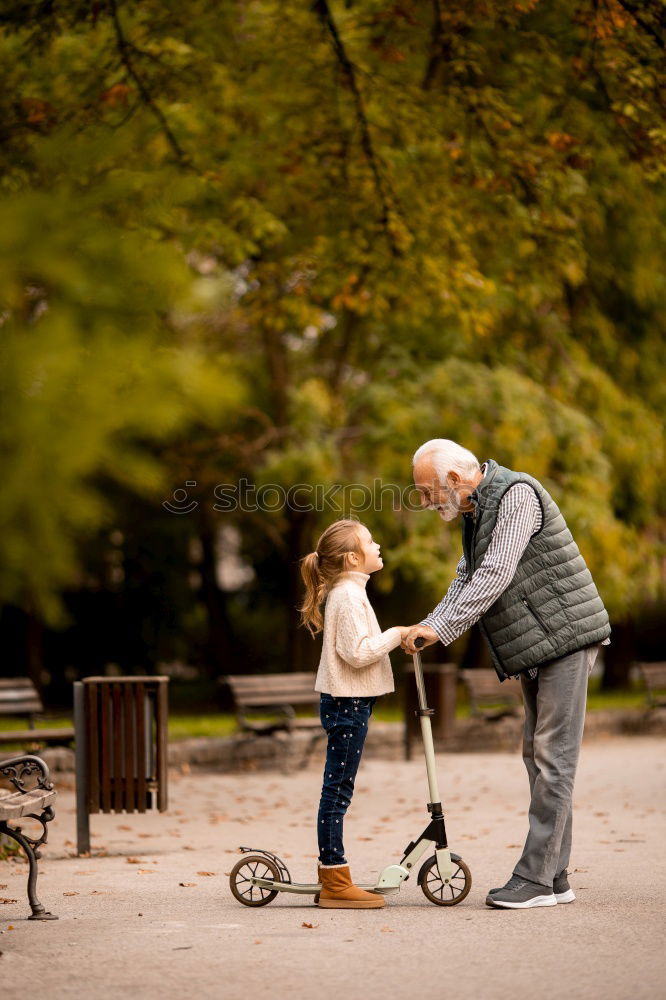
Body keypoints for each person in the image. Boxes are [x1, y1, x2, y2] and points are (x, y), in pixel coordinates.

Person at [402, 439, 611, 910]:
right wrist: (429, 624)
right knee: (536, 756)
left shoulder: (516, 496)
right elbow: (465, 578)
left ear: (454, 480)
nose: (425, 500)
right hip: (541, 641)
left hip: (567, 636)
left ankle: (534, 878)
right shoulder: (478, 511)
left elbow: (495, 574)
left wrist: (441, 628)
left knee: (553, 757)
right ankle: (555, 877)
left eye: (427, 490)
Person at [299, 518, 409, 909]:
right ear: (352, 557)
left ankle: (335, 875)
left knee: (338, 789)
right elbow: (358, 653)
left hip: (351, 702)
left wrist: (396, 636)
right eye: (370, 541)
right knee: (337, 791)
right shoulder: (346, 596)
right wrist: (396, 634)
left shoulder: (351, 591)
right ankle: (334, 880)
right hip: (347, 704)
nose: (377, 546)